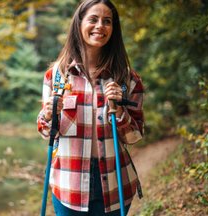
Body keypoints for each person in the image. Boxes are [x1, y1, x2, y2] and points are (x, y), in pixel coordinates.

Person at [37, 0, 144, 215]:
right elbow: (47, 132)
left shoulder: (127, 78)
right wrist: (48, 115)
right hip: (69, 183)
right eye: (93, 19)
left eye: (107, 21)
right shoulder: (56, 76)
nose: (100, 26)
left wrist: (120, 112)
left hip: (115, 183)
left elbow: (135, 136)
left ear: (113, 29)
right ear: (79, 24)